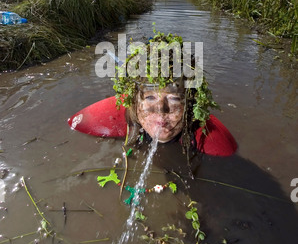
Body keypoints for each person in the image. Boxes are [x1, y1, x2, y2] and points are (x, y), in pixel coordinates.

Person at [68, 30, 237, 174]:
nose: (161, 110)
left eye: (174, 98)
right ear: (133, 101)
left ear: (190, 104)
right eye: (150, 97)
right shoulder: (102, 117)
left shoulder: (212, 141)